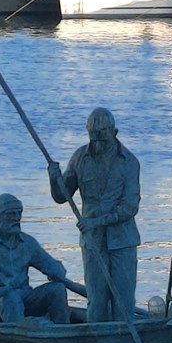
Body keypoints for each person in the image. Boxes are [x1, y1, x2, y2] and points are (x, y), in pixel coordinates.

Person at [48, 107, 140, 322]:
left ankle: (123, 337)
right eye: (93, 137)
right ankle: (97, 339)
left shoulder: (129, 162)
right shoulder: (80, 158)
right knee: (97, 301)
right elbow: (62, 196)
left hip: (122, 242)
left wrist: (96, 222)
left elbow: (130, 207)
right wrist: (54, 180)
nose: (97, 143)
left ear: (114, 133)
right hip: (93, 243)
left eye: (102, 138)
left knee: (123, 302)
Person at [0, 193, 69, 324]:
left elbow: (48, 263)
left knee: (58, 289)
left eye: (19, 213)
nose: (17, 218)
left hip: (25, 298)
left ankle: (62, 330)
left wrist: (57, 271)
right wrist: (5, 280)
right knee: (11, 296)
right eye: (11, 214)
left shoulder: (28, 243)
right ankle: (18, 331)